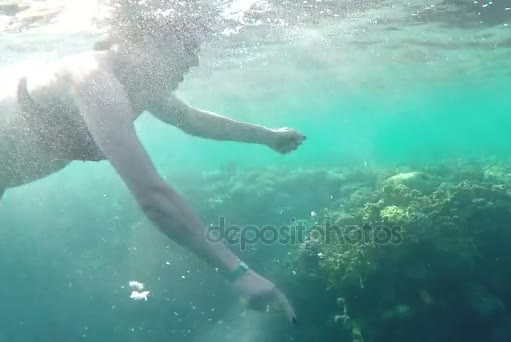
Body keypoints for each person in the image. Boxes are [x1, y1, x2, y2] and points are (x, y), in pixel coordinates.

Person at [0, 0, 303, 324]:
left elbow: (191, 119)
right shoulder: (95, 81)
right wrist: (239, 273)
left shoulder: (135, 84)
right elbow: (152, 196)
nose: (194, 59)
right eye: (188, 45)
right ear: (146, 42)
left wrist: (269, 137)